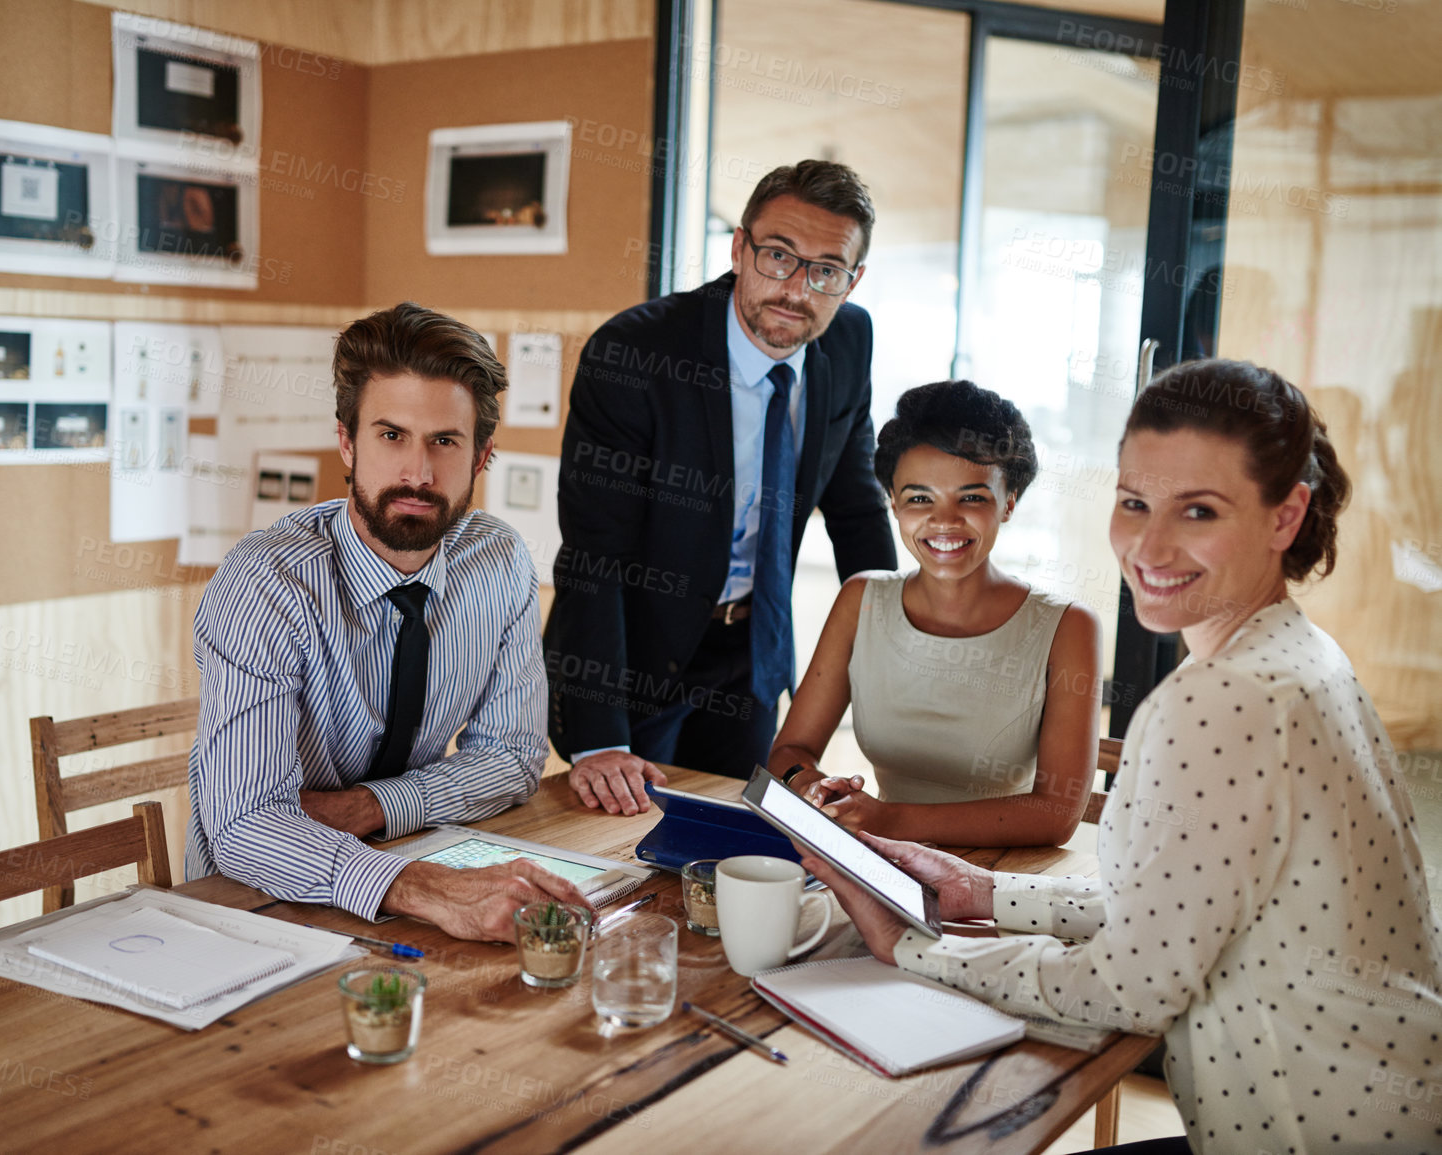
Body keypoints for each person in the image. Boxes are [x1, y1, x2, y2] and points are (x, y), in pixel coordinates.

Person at [804, 359, 1441, 1153]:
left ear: (1285, 517)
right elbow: (1172, 908)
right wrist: (979, 891)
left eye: (1198, 510)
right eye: (1133, 503)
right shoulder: (1300, 654)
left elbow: (1127, 988)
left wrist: (911, 948)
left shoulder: (1217, 699)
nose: (1149, 542)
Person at [185, 302, 588, 941]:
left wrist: (371, 806)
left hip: (414, 874)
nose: (418, 473)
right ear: (347, 440)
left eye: (445, 441)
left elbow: (512, 758)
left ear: (483, 455)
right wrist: (420, 889)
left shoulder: (500, 561)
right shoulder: (266, 584)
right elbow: (247, 827)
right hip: (253, 906)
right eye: (391, 435)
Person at [545, 159, 898, 814]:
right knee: (623, 837)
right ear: (739, 249)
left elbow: (854, 510)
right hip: (637, 655)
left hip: (752, 653)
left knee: (727, 841)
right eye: (778, 257)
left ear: (852, 280)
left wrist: (895, 652)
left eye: (825, 270)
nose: (796, 289)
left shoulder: (848, 341)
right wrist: (599, 739)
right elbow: (595, 552)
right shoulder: (634, 353)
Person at [770, 380, 1102, 846]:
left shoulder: (1068, 626)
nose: (944, 521)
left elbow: (1056, 815)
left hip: (999, 879)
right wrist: (812, 787)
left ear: (1008, 502)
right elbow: (790, 750)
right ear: (893, 502)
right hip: (881, 863)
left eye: (972, 497)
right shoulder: (861, 599)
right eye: (919, 498)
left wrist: (888, 820)